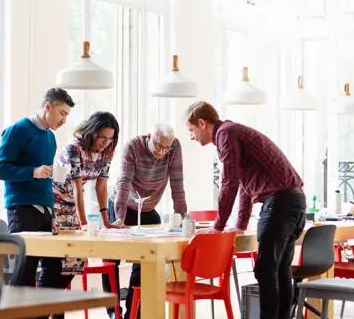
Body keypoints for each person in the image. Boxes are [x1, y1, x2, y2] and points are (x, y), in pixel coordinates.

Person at [184, 101, 305, 319]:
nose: (191, 137)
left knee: (266, 270)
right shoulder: (233, 132)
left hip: (279, 204)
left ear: (202, 123)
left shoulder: (225, 135)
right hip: (294, 201)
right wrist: (239, 224)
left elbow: (230, 181)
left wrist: (218, 225)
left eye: (191, 130)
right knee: (280, 270)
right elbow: (244, 185)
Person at [0, 87, 74, 318]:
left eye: (67, 115)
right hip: (22, 209)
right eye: (62, 113)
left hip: (45, 210)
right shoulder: (18, 130)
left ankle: (39, 314)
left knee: (55, 266)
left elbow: (46, 178)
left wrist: (54, 212)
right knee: (26, 268)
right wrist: (33, 172)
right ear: (47, 106)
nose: (64, 120)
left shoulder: (50, 137)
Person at [103, 122, 187, 319]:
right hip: (122, 204)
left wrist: (181, 217)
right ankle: (113, 312)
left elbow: (177, 183)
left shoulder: (174, 147)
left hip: (148, 208)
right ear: (149, 137)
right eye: (158, 145)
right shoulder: (132, 146)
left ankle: (135, 312)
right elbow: (123, 181)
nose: (161, 151)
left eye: (166, 147)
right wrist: (120, 218)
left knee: (145, 260)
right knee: (110, 260)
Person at [51, 111, 121, 284]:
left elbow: (101, 186)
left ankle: (55, 307)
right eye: (102, 137)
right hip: (54, 201)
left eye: (110, 138)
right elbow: (76, 185)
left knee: (75, 260)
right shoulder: (74, 148)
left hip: (73, 201)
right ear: (92, 133)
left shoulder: (107, 151)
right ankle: (48, 307)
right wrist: (83, 223)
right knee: (57, 261)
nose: (105, 143)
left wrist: (106, 221)